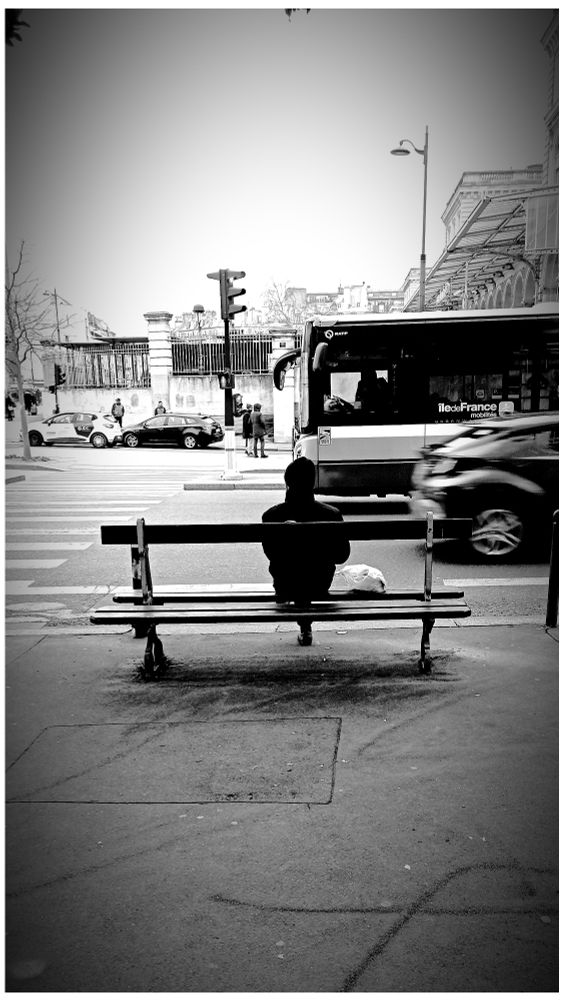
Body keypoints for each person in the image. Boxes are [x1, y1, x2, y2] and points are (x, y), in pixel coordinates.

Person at [262, 457, 351, 644]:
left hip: (285, 585)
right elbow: (342, 556)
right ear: (312, 483)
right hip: (319, 584)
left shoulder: (272, 516)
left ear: (288, 484)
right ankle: (305, 627)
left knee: (294, 572)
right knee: (310, 573)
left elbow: (271, 554)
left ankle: (304, 627)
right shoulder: (331, 515)